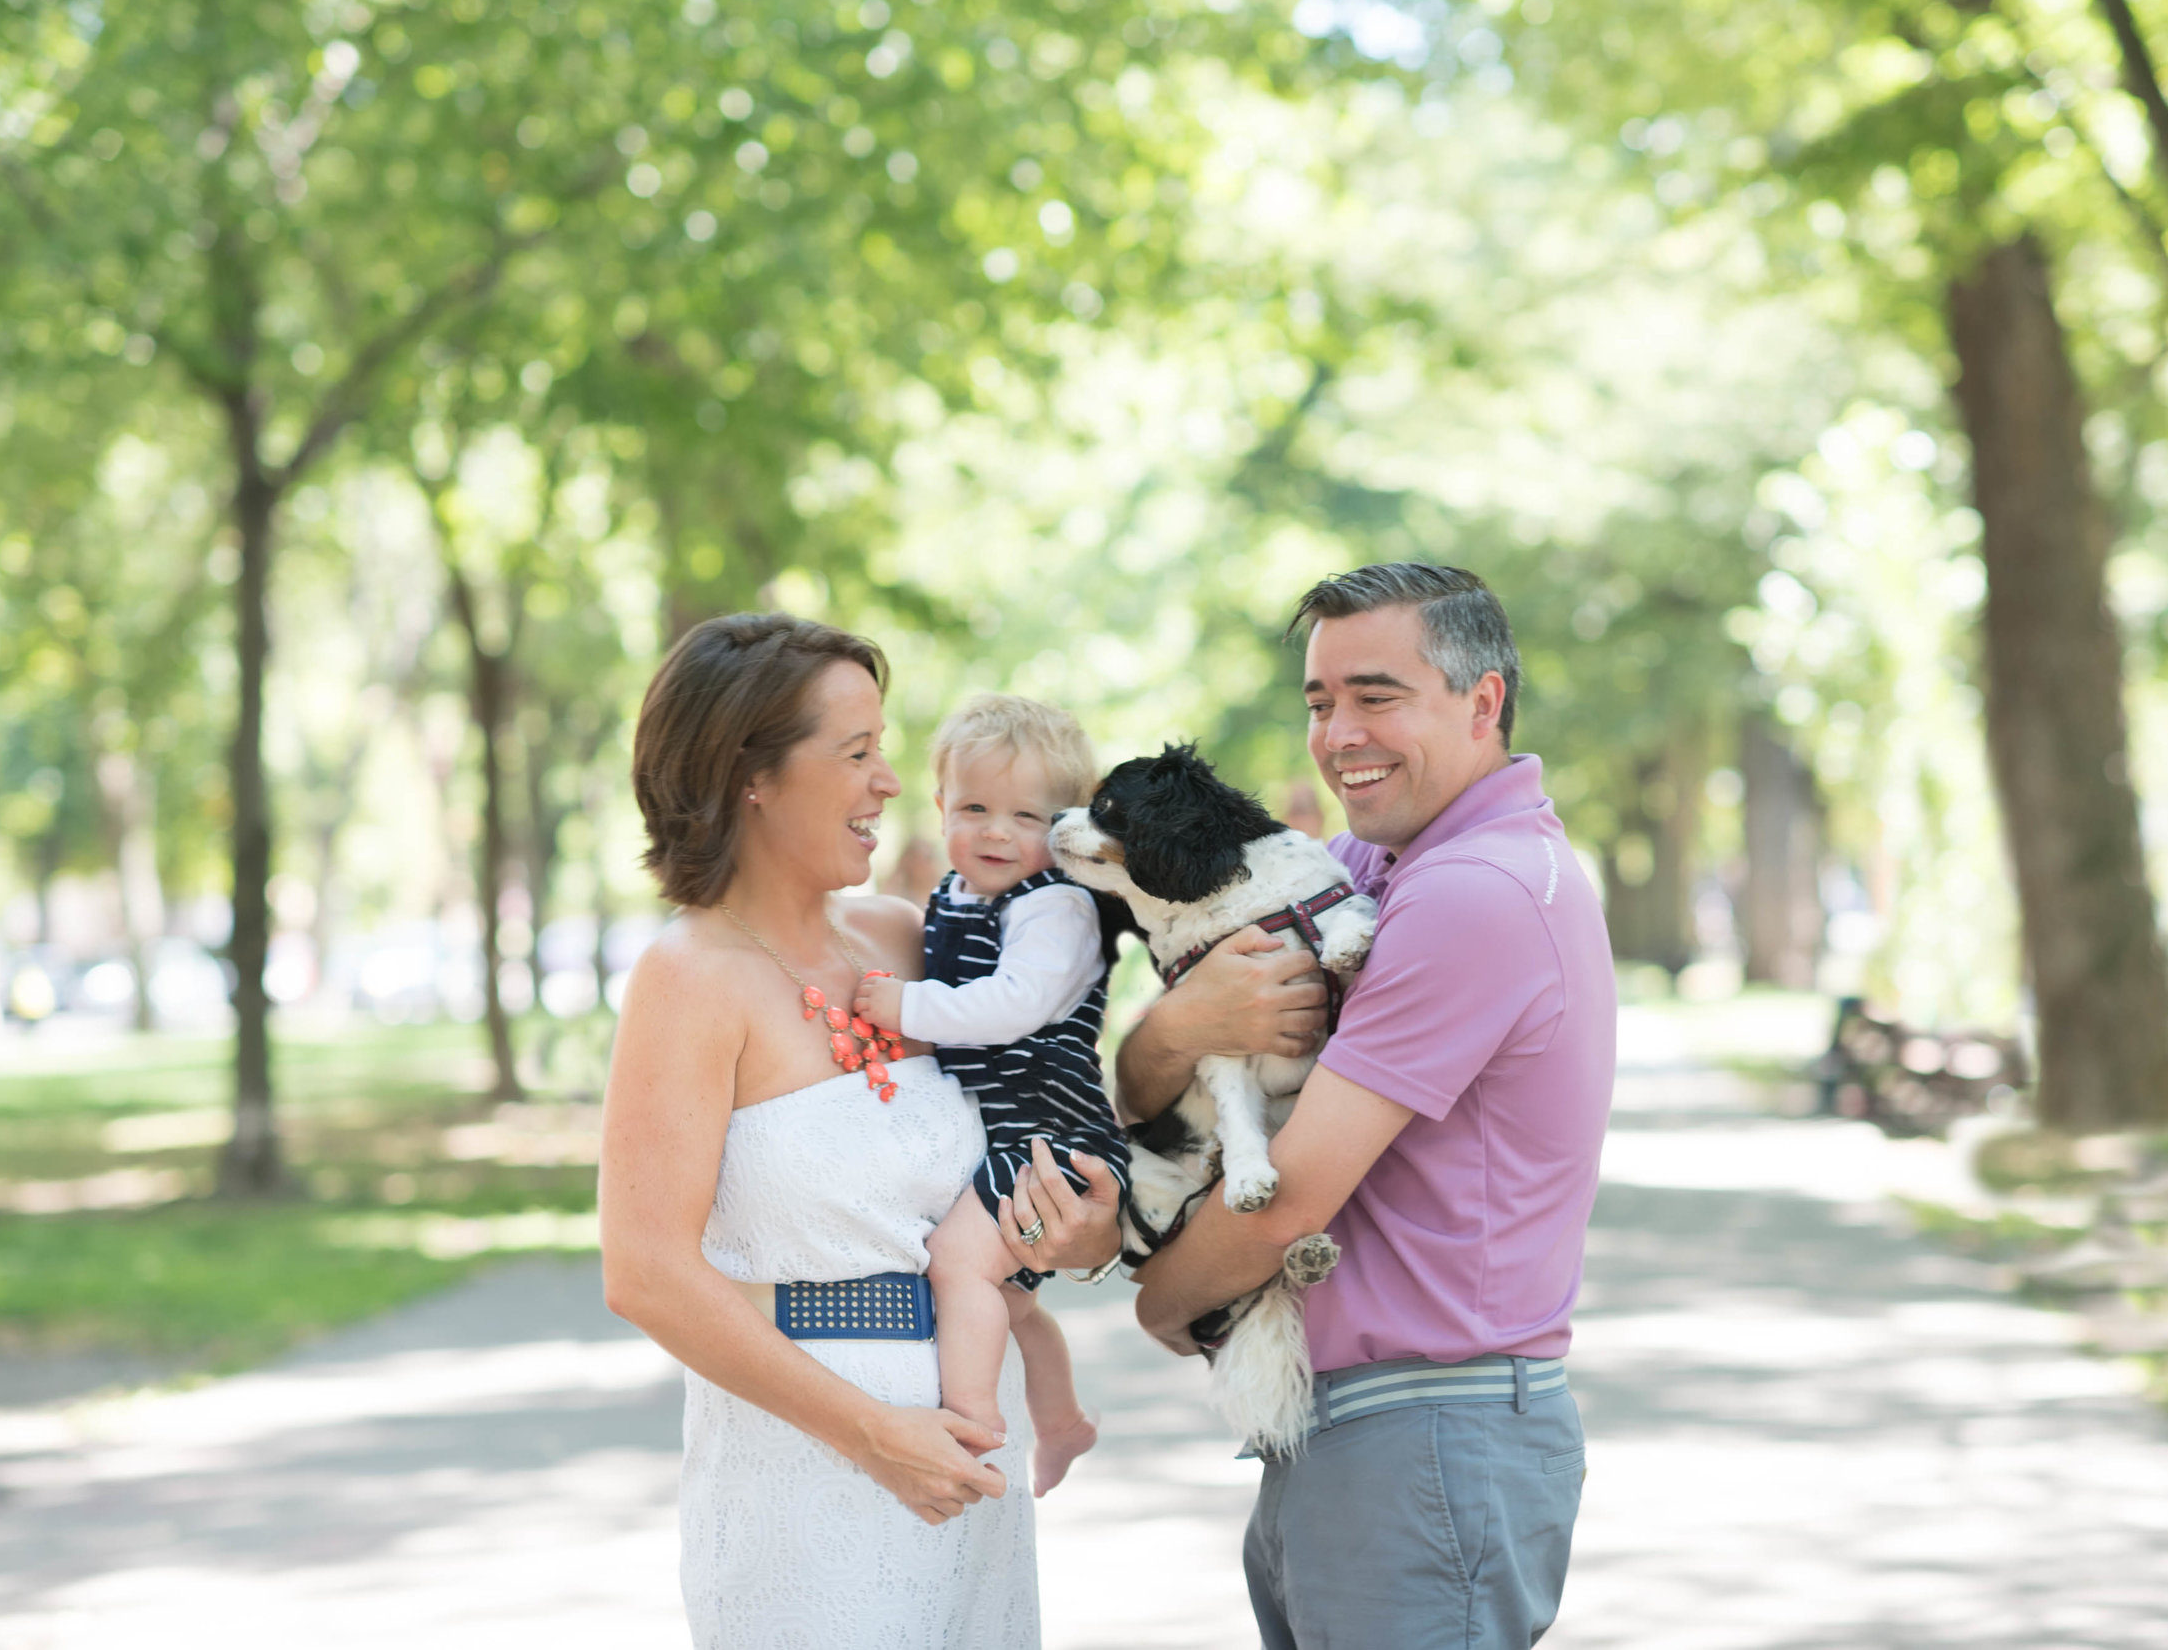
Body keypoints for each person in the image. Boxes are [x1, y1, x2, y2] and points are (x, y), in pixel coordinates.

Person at [597, 614, 1125, 1650]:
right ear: (753, 774)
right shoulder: (688, 975)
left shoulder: (906, 934)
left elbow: (1031, 1112)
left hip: (967, 1463)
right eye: (857, 752)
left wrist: (1084, 1237)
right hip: (809, 1477)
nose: (891, 781)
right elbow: (645, 1271)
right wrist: (876, 1435)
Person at [1121, 563, 1616, 1650]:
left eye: (1375, 695)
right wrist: (1171, 1027)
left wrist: (1162, 1305)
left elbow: (1288, 1197)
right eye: (1318, 701)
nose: (1338, 732)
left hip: (1425, 1433)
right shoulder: (1371, 865)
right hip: (1356, 1431)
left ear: (1481, 702)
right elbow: (1161, 1066)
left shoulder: (1471, 891)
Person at [852, 694, 1132, 1497]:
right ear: (940, 805)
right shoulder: (954, 895)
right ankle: (1064, 1421)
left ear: (1070, 828)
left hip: (1051, 1132)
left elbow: (1012, 1005)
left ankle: (969, 1427)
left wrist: (905, 1007)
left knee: (959, 1263)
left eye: (1028, 816)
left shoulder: (1057, 907)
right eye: (974, 807)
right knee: (1005, 1296)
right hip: (1012, 1128)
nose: (999, 832)